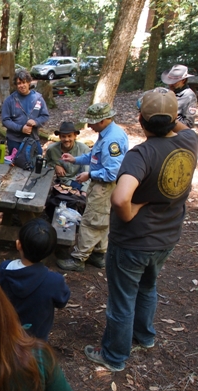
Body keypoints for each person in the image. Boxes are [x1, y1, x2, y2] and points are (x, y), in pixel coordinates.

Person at [84, 88, 198, 372]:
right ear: (174, 118)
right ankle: (144, 336)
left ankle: (114, 356)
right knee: (148, 287)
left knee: (122, 299)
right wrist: (171, 117)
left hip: (133, 241)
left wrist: (133, 209)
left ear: (141, 120)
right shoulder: (190, 140)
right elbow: (179, 127)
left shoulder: (141, 155)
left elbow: (121, 198)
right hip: (167, 236)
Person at [56, 103, 129, 272]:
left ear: (103, 120)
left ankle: (78, 258)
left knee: (91, 221)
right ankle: (98, 253)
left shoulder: (113, 139)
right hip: (101, 185)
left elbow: (112, 172)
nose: (89, 125)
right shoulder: (106, 134)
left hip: (104, 187)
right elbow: (94, 157)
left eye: (92, 122)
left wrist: (89, 175)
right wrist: (75, 160)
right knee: (102, 220)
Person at [0, 218, 70, 341]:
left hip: (9, 331)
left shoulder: (5, 269)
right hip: (37, 337)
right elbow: (62, 301)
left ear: (18, 244)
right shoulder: (54, 281)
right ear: (50, 251)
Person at [2, 69, 50, 157]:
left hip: (33, 138)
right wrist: (21, 128)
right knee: (16, 164)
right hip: (15, 140)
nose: (22, 85)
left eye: (24, 82)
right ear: (16, 85)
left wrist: (36, 122)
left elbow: (45, 116)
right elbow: (5, 120)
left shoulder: (38, 98)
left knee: (37, 159)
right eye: (19, 83)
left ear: (29, 82)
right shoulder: (10, 100)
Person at [45, 121, 91, 193]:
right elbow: (45, 163)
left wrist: (84, 191)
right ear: (59, 137)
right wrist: (55, 165)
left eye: (69, 136)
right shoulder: (52, 149)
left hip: (81, 181)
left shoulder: (84, 149)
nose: (66, 139)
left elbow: (87, 171)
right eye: (63, 136)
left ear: (75, 136)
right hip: (64, 181)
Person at [161, 64, 197, 130]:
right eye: (169, 81)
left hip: (176, 134)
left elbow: (189, 124)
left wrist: (167, 121)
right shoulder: (166, 91)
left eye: (174, 82)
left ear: (183, 80)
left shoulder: (189, 96)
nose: (170, 84)